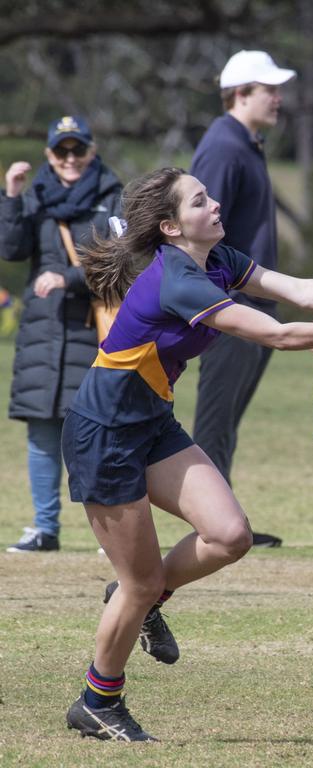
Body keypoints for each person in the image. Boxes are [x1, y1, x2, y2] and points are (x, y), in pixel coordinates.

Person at [62, 167, 313, 741]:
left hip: (150, 422)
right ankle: (99, 700)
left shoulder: (218, 258)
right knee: (140, 583)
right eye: (201, 201)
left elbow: (299, 290)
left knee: (230, 536)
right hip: (104, 433)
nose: (216, 203)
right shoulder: (177, 278)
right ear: (173, 226)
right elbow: (278, 334)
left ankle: (141, 596)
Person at [189, 49, 297, 547]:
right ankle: (214, 527)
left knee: (227, 419)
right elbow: (198, 232)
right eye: (268, 89)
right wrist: (216, 305)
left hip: (251, 303)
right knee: (215, 418)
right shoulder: (224, 147)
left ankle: (226, 522)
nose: (278, 98)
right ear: (239, 94)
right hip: (228, 305)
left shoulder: (245, 143)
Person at [1, 116, 122, 553]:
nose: (70, 159)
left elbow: (121, 261)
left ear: (91, 150)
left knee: (93, 435)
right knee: (42, 433)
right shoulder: (35, 195)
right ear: (49, 155)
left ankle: (112, 536)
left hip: (95, 331)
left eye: (78, 150)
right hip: (42, 331)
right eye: (61, 151)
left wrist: (68, 277)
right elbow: (12, 249)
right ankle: (44, 527)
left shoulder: (113, 196)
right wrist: (11, 197)